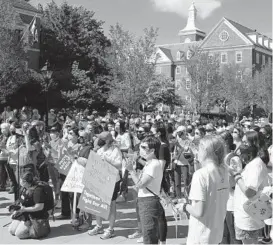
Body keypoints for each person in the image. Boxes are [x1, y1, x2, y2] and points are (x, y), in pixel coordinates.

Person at [175, 135, 229, 245]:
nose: (196, 153)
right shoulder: (224, 171)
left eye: (198, 149)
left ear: (205, 151)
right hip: (216, 232)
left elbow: (199, 211)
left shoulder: (201, 175)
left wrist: (184, 206)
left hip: (201, 234)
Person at [125, 136, 167, 244]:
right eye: (140, 146)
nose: (140, 149)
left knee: (149, 234)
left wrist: (131, 171)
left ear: (152, 150)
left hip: (148, 201)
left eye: (144, 147)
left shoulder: (153, 164)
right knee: (148, 232)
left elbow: (140, 184)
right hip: (146, 199)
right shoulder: (149, 163)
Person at [232, 131, 270, 244]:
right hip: (244, 215)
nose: (242, 145)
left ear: (255, 145)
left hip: (249, 217)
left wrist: (237, 176)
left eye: (245, 143)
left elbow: (249, 192)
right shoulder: (253, 162)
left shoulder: (257, 164)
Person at [88, 132, 122, 239]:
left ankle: (111, 229)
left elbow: (119, 165)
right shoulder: (100, 150)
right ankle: (99, 226)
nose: (99, 140)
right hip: (100, 179)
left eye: (102, 139)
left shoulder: (116, 150)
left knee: (111, 205)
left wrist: (108, 161)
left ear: (108, 140)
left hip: (112, 180)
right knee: (98, 203)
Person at [8, 172, 51, 239]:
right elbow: (21, 200)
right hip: (25, 214)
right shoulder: (24, 188)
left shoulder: (37, 190)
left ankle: (40, 228)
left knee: (19, 234)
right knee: (11, 230)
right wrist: (14, 208)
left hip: (36, 216)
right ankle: (26, 225)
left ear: (25, 181)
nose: (19, 181)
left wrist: (24, 209)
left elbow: (39, 207)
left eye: (20, 180)